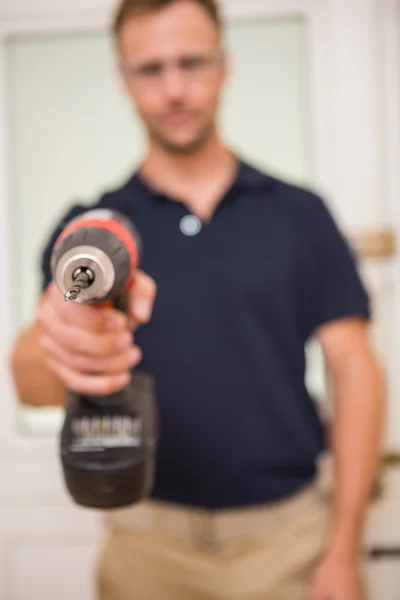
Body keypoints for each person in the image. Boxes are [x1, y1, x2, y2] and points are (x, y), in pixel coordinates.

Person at [10, 0, 385, 598]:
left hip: (288, 538)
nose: (175, 90)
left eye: (192, 62)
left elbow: (356, 371)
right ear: (124, 79)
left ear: (223, 66)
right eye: (150, 69)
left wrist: (343, 549)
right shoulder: (93, 231)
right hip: (146, 545)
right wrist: (68, 336)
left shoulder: (299, 214)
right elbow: (31, 377)